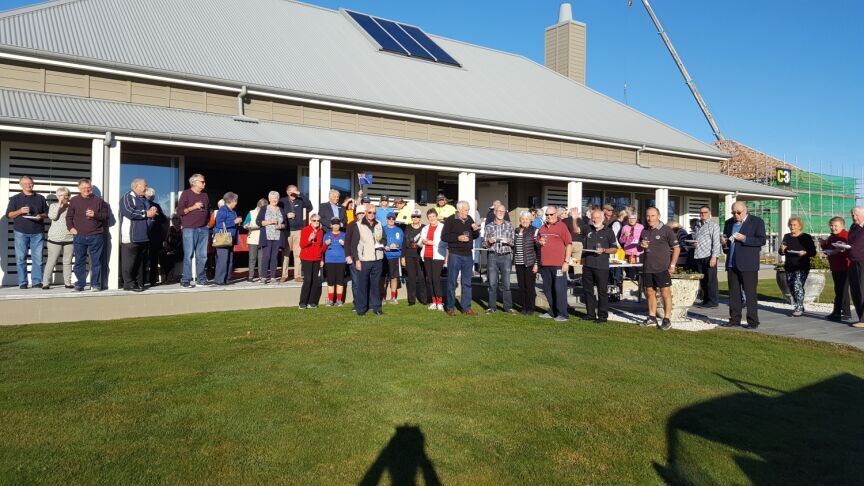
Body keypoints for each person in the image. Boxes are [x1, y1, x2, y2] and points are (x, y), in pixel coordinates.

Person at [721, 201, 767, 329]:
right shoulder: (729, 223)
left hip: (748, 264)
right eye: (733, 212)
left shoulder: (757, 221)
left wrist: (745, 238)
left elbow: (761, 240)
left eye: (738, 212)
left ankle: (753, 322)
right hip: (731, 263)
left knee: (750, 294)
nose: (736, 215)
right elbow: (727, 245)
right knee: (734, 294)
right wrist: (724, 243)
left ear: (745, 210)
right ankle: (734, 319)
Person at [639, 207, 680, 330]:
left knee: (665, 293)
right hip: (648, 267)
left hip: (662, 268)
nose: (650, 218)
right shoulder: (644, 231)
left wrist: (672, 265)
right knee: (650, 292)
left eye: (652, 216)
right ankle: (652, 317)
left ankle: (667, 319)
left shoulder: (667, 230)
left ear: (659, 216)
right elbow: (641, 248)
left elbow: (677, 248)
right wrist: (641, 246)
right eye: (648, 216)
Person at [66, 178, 110, 291]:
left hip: (96, 235)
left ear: (91, 188)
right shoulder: (74, 200)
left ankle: (95, 284)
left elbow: (106, 216)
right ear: (79, 189)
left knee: (96, 262)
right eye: (84, 188)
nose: (86, 190)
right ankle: (80, 284)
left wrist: (95, 215)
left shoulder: (99, 201)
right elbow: (69, 216)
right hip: (79, 236)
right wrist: (71, 228)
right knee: (79, 261)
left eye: (88, 187)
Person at [6, 175, 48, 289]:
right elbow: (9, 215)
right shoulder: (15, 198)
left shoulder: (40, 198)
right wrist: (19, 211)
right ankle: (23, 282)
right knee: (21, 258)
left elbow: (46, 213)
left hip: (37, 232)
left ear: (33, 184)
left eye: (30, 183)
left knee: (38, 259)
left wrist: (41, 215)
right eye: (25, 184)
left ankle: (36, 282)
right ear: (21, 185)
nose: (28, 185)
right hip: (21, 232)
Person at [442, 201, 480, 315]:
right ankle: (450, 307)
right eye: (466, 210)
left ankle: (466, 308)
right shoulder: (450, 220)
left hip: (468, 255)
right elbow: (444, 236)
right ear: (459, 210)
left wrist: (475, 230)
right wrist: (458, 237)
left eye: (468, 210)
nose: (467, 212)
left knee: (467, 283)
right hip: (455, 254)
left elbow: (476, 236)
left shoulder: (469, 219)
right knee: (452, 282)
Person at [536, 205, 573, 322]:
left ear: (556, 214)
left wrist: (566, 261)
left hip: (558, 264)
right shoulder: (542, 228)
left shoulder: (562, 226)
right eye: (547, 215)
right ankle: (552, 311)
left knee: (559, 289)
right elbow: (537, 241)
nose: (549, 217)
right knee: (548, 289)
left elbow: (569, 244)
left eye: (551, 214)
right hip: (545, 264)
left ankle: (563, 313)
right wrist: (539, 242)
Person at [347, 203, 385, 316]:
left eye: (374, 213)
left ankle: (376, 308)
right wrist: (357, 260)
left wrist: (381, 243)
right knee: (362, 286)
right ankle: (361, 309)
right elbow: (354, 246)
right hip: (364, 260)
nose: (372, 214)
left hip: (377, 259)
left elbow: (384, 238)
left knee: (375, 285)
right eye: (369, 212)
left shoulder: (379, 224)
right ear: (365, 213)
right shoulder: (358, 225)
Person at [581, 209, 618, 323]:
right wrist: (573, 218)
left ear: (602, 218)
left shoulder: (609, 231)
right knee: (588, 290)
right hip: (587, 265)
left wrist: (604, 250)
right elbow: (576, 230)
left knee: (602, 291)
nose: (594, 219)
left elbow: (615, 249)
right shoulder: (588, 229)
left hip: (601, 267)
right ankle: (590, 314)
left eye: (597, 217)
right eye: (593, 217)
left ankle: (602, 317)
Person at [120, 178, 157, 291]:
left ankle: (138, 282)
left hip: (143, 237)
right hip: (131, 237)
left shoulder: (143, 199)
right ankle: (128, 284)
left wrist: (152, 211)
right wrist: (146, 213)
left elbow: (148, 215)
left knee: (139, 262)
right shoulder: (127, 197)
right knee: (129, 262)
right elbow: (129, 211)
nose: (146, 188)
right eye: (145, 185)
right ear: (136, 186)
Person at [178, 173, 212, 287]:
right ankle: (186, 280)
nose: (204, 183)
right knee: (188, 255)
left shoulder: (205, 195)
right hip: (189, 229)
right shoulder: (186, 194)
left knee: (202, 256)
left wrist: (207, 224)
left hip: (203, 229)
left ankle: (201, 278)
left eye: (204, 181)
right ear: (194, 182)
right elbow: (180, 211)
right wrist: (194, 207)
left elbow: (208, 211)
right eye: (202, 182)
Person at [779, 216, 817, 317]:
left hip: (802, 266)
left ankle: (798, 307)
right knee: (792, 288)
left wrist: (805, 253)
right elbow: (782, 252)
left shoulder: (806, 237)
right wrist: (782, 249)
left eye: (794, 225)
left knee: (797, 285)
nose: (792, 227)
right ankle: (800, 305)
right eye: (791, 225)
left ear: (800, 226)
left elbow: (813, 252)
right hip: (789, 266)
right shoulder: (786, 236)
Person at [484, 204, 515, 314]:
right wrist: (489, 242)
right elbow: (484, 244)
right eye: (499, 211)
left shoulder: (509, 225)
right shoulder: (488, 226)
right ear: (494, 212)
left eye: (503, 211)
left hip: (506, 256)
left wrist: (510, 242)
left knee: (506, 284)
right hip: (493, 256)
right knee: (492, 283)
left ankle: (508, 307)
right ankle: (492, 307)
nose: (501, 213)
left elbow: (514, 242)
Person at [43, 187, 74, 290]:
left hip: (69, 239)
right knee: (51, 261)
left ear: (69, 196)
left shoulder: (72, 207)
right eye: (61, 195)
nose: (64, 197)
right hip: (54, 239)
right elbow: (52, 216)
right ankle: (46, 283)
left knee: (67, 261)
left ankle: (68, 282)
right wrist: (59, 205)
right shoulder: (53, 206)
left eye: (66, 195)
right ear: (57, 196)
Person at [822, 216, 852, 322]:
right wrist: (824, 245)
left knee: (842, 290)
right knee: (839, 290)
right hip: (835, 267)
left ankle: (841, 313)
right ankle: (842, 313)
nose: (833, 228)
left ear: (842, 226)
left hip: (846, 267)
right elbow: (827, 248)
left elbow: (851, 251)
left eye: (835, 226)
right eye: (831, 225)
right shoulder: (831, 237)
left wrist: (841, 250)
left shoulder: (846, 236)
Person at [279, 184, 311, 282]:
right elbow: (278, 213)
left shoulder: (300, 200)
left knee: (298, 253)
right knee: (285, 253)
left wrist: (300, 194)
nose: (293, 193)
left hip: (298, 230)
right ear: (287, 192)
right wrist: (286, 215)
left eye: (295, 191)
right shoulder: (282, 201)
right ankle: (284, 275)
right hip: (286, 230)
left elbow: (309, 205)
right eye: (292, 191)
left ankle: (297, 275)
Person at [691, 206, 722, 308]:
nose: (702, 214)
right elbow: (696, 238)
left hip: (709, 255)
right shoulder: (697, 225)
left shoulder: (714, 225)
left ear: (709, 213)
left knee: (711, 280)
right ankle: (705, 300)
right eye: (701, 213)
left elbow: (716, 242)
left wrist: (714, 257)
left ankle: (713, 301)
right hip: (699, 255)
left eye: (705, 212)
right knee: (703, 280)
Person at [256, 191, 287, 284]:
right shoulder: (264, 208)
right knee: (266, 256)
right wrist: (269, 222)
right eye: (272, 198)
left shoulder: (281, 209)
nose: (274, 200)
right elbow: (258, 222)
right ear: (269, 199)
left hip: (277, 236)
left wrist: (280, 226)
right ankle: (263, 277)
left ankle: (273, 277)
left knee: (274, 257)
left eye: (276, 198)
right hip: (266, 236)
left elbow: (285, 224)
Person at [213, 192, 242, 285]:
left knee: (229, 259)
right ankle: (220, 280)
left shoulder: (233, 211)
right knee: (222, 259)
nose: (236, 203)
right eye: (236, 201)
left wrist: (238, 222)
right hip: (223, 238)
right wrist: (234, 221)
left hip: (230, 239)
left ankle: (227, 279)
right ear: (231, 201)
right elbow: (219, 224)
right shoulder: (222, 210)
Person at [514, 211, 539, 315]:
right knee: (521, 286)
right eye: (523, 219)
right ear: (520, 220)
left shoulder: (534, 231)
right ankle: (523, 307)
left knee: (529, 286)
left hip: (530, 263)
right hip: (519, 262)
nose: (524, 221)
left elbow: (538, 249)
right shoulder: (516, 230)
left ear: (530, 220)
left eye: (527, 219)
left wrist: (536, 264)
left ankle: (531, 308)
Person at [420, 208, 446, 311]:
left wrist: (432, 242)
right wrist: (424, 241)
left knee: (435, 279)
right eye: (429, 217)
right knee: (429, 279)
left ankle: (440, 302)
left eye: (433, 216)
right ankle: (433, 301)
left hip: (438, 256)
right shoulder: (425, 228)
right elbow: (422, 239)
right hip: (427, 255)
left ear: (436, 216)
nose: (431, 218)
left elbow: (444, 242)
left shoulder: (442, 227)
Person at [401, 210, 428, 306]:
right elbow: (404, 242)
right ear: (411, 217)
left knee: (422, 278)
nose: (415, 218)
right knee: (411, 278)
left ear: (420, 218)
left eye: (417, 217)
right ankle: (411, 300)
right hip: (409, 254)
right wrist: (402, 257)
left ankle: (424, 300)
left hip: (420, 255)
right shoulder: (407, 227)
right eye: (413, 216)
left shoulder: (425, 227)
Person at [298, 214, 324, 309]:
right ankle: (302, 302)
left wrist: (321, 259)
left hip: (316, 258)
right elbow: (302, 245)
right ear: (310, 221)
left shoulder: (321, 232)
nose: (316, 222)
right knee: (308, 280)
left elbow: (320, 247)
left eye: (318, 220)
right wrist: (309, 239)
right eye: (314, 220)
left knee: (315, 280)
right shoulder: (305, 230)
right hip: (306, 258)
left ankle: (311, 302)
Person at [144, 187, 168, 287]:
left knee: (152, 260)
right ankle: (145, 280)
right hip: (144, 235)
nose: (152, 198)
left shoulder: (156, 206)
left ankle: (151, 280)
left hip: (154, 237)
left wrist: (156, 213)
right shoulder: (142, 204)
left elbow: (163, 219)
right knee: (145, 260)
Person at [846, 207, 864, 328]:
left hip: (862, 262)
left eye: (856, 215)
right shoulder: (853, 227)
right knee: (855, 290)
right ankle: (860, 318)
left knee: (863, 290)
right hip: (853, 261)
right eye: (852, 215)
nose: (854, 217)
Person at [322, 218, 347, 306]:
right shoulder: (326, 235)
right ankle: (330, 300)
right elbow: (322, 249)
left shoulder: (344, 235)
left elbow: (349, 248)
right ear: (331, 225)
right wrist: (326, 244)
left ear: (339, 225)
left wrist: (345, 244)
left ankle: (339, 300)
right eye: (334, 224)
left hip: (341, 260)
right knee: (331, 281)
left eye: (337, 224)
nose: (336, 226)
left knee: (340, 281)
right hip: (329, 261)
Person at [382, 214, 404, 304]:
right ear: (386, 219)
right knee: (383, 278)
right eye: (389, 218)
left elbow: (402, 243)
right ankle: (382, 297)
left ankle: (393, 297)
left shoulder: (399, 230)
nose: (391, 220)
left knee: (394, 277)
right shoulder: (382, 229)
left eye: (393, 218)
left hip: (395, 256)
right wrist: (384, 246)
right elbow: (378, 240)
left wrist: (397, 245)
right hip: (384, 256)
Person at [243, 198, 267, 282]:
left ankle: (261, 276)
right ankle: (250, 276)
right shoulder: (251, 213)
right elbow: (245, 224)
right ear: (258, 206)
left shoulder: (267, 213)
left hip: (263, 238)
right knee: (252, 258)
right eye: (261, 208)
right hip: (252, 238)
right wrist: (247, 226)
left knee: (262, 258)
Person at [160, 213, 183, 284]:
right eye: (172, 219)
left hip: (180, 250)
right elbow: (166, 240)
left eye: (175, 218)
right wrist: (167, 248)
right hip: (170, 249)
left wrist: (173, 251)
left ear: (179, 220)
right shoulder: (171, 229)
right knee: (162, 255)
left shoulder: (182, 230)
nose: (173, 220)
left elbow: (181, 243)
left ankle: (169, 278)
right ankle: (165, 277)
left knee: (170, 257)